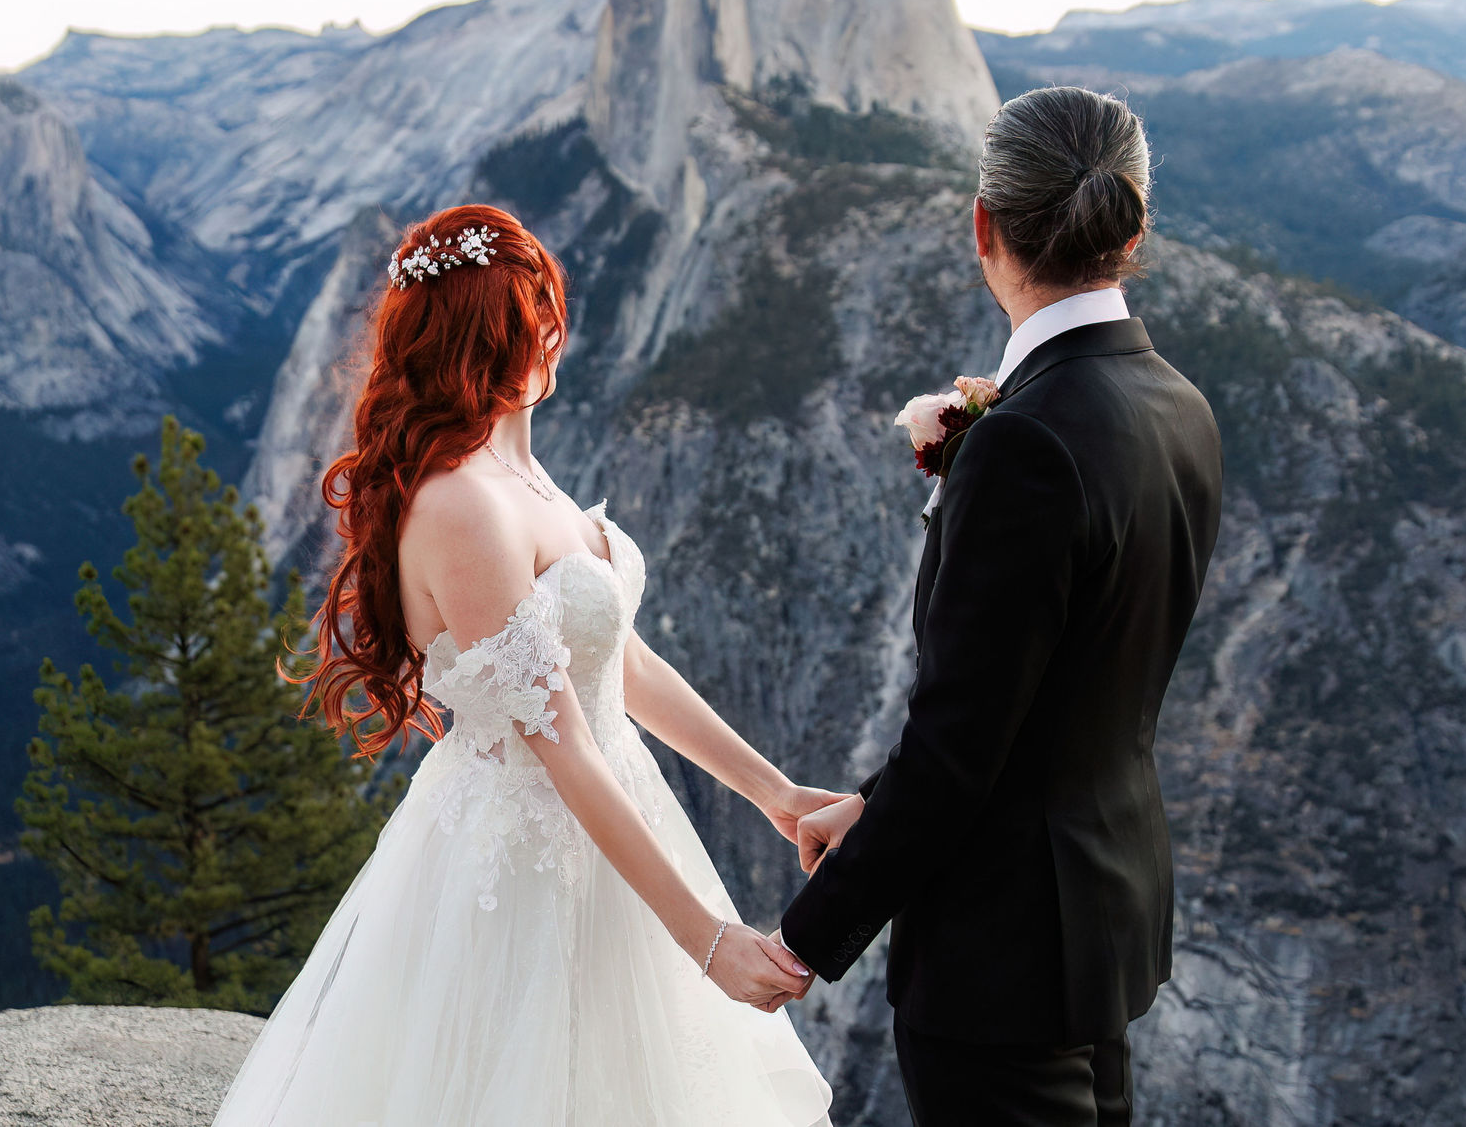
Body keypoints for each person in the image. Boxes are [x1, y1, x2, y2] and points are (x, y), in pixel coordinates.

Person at [211, 204, 835, 1127]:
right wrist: (707, 942)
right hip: (522, 864)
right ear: (486, 337)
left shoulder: (523, 472)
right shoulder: (463, 503)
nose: (554, 328)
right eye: (532, 309)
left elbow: (616, 656)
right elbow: (562, 739)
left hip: (614, 832)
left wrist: (777, 793)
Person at [778, 87, 1225, 1126]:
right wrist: (870, 805)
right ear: (1133, 227)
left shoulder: (1024, 442)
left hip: (1002, 958)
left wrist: (803, 940)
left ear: (982, 227)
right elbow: (1053, 690)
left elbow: (959, 742)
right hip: (1102, 920)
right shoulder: (1177, 405)